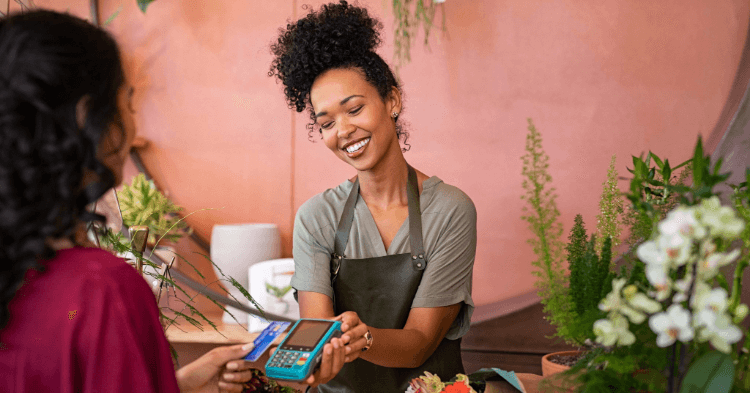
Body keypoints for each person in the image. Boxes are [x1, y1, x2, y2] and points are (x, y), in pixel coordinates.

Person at [0, 10, 256, 392]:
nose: (134, 124)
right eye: (128, 104)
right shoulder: (103, 291)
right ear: (88, 117)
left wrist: (177, 384)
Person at [269, 1, 477, 392]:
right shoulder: (316, 217)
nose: (343, 130)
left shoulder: (450, 210)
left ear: (392, 101)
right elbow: (318, 335)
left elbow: (419, 344)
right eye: (326, 122)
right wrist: (321, 352)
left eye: (354, 109)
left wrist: (360, 337)